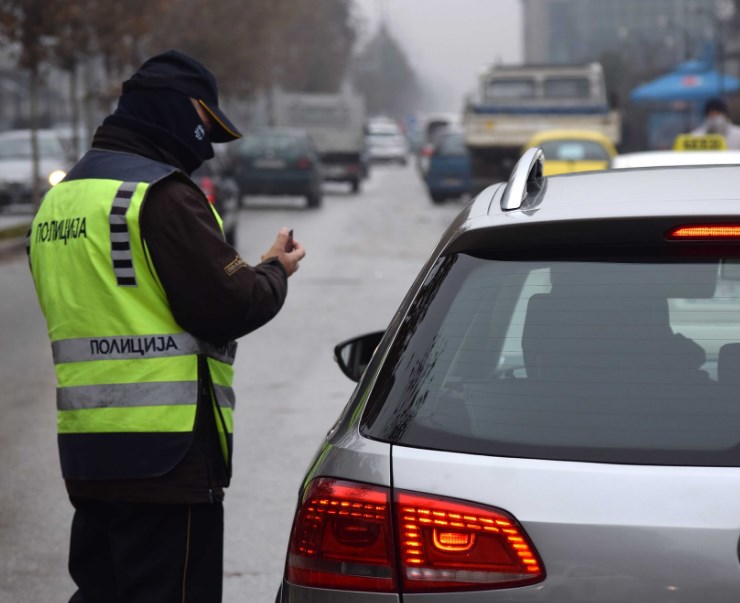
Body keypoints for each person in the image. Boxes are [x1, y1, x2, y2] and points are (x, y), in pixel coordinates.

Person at [27, 50, 305, 602]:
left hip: (90, 454)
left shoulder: (58, 202)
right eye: (204, 124)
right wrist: (275, 269)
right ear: (176, 112)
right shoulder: (161, 195)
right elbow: (230, 304)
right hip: (168, 459)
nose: (204, 143)